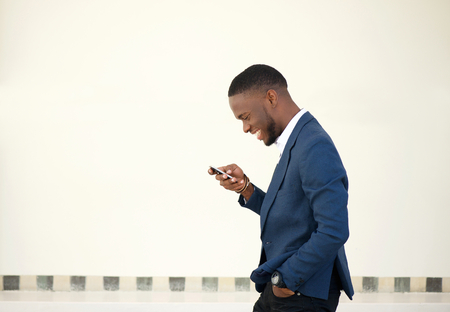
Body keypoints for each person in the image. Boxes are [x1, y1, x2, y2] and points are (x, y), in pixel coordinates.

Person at [208, 64, 354, 312]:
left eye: (245, 117)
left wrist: (285, 280)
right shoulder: (297, 141)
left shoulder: (314, 145)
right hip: (286, 288)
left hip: (302, 292)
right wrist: (245, 188)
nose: (245, 128)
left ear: (271, 98)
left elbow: (334, 229)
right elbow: (293, 214)